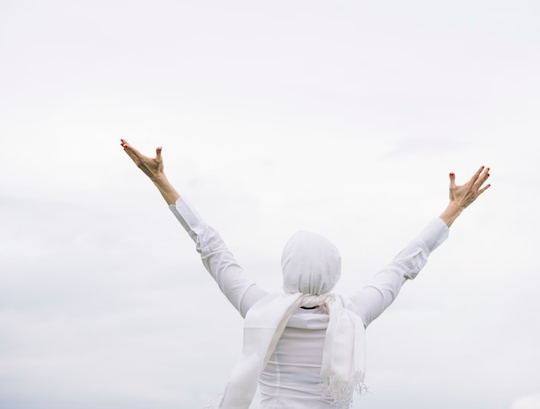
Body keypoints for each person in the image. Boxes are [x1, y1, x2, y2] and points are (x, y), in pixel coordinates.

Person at [120, 138, 491, 409]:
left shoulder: (259, 308)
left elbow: (212, 249)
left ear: (286, 268)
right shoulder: (353, 313)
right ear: (334, 272)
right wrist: (453, 209)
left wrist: (162, 182)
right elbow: (404, 264)